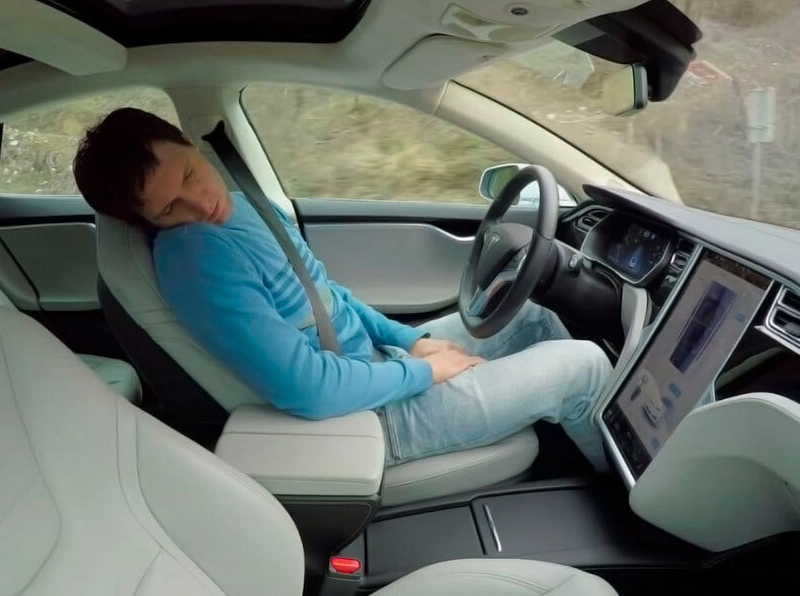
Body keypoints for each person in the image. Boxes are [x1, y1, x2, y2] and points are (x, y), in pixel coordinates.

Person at [73, 108, 613, 471]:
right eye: (170, 208)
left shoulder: (237, 206)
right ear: (146, 221)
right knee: (583, 365)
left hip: (376, 369)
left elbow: (326, 294)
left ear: (191, 145)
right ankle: (638, 515)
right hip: (370, 418)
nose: (199, 205)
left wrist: (410, 341)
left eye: (190, 175)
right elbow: (308, 390)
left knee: (529, 311)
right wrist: (425, 373)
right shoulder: (193, 259)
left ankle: (572, 451)